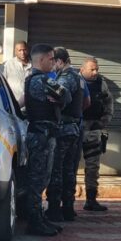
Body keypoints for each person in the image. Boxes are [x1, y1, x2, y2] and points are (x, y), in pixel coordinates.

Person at [23, 44, 67, 236]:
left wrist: (59, 99)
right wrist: (58, 99)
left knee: (43, 178)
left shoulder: (38, 79)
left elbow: (63, 97)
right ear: (41, 60)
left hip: (45, 134)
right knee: (38, 179)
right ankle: (34, 221)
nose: (53, 62)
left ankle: (39, 218)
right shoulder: (41, 80)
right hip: (41, 135)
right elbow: (65, 95)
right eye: (51, 59)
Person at [46, 47, 82, 222]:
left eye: (54, 62)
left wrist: (52, 95)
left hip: (63, 129)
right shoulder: (77, 76)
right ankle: (68, 207)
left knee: (57, 171)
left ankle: (54, 209)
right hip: (73, 128)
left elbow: (61, 92)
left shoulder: (67, 77)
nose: (53, 65)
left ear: (60, 61)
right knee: (68, 170)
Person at [80, 57, 114, 211]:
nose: (95, 72)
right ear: (83, 69)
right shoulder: (75, 81)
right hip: (76, 128)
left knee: (93, 166)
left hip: (94, 128)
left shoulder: (101, 83)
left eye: (96, 69)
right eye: (91, 69)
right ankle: (64, 203)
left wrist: (104, 121)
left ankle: (91, 200)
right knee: (68, 166)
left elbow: (109, 102)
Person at [2, 41, 31, 108]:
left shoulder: (33, 64)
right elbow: (3, 83)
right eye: (19, 50)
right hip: (14, 105)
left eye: (24, 50)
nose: (22, 53)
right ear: (15, 52)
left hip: (30, 106)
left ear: (28, 50)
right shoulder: (9, 64)